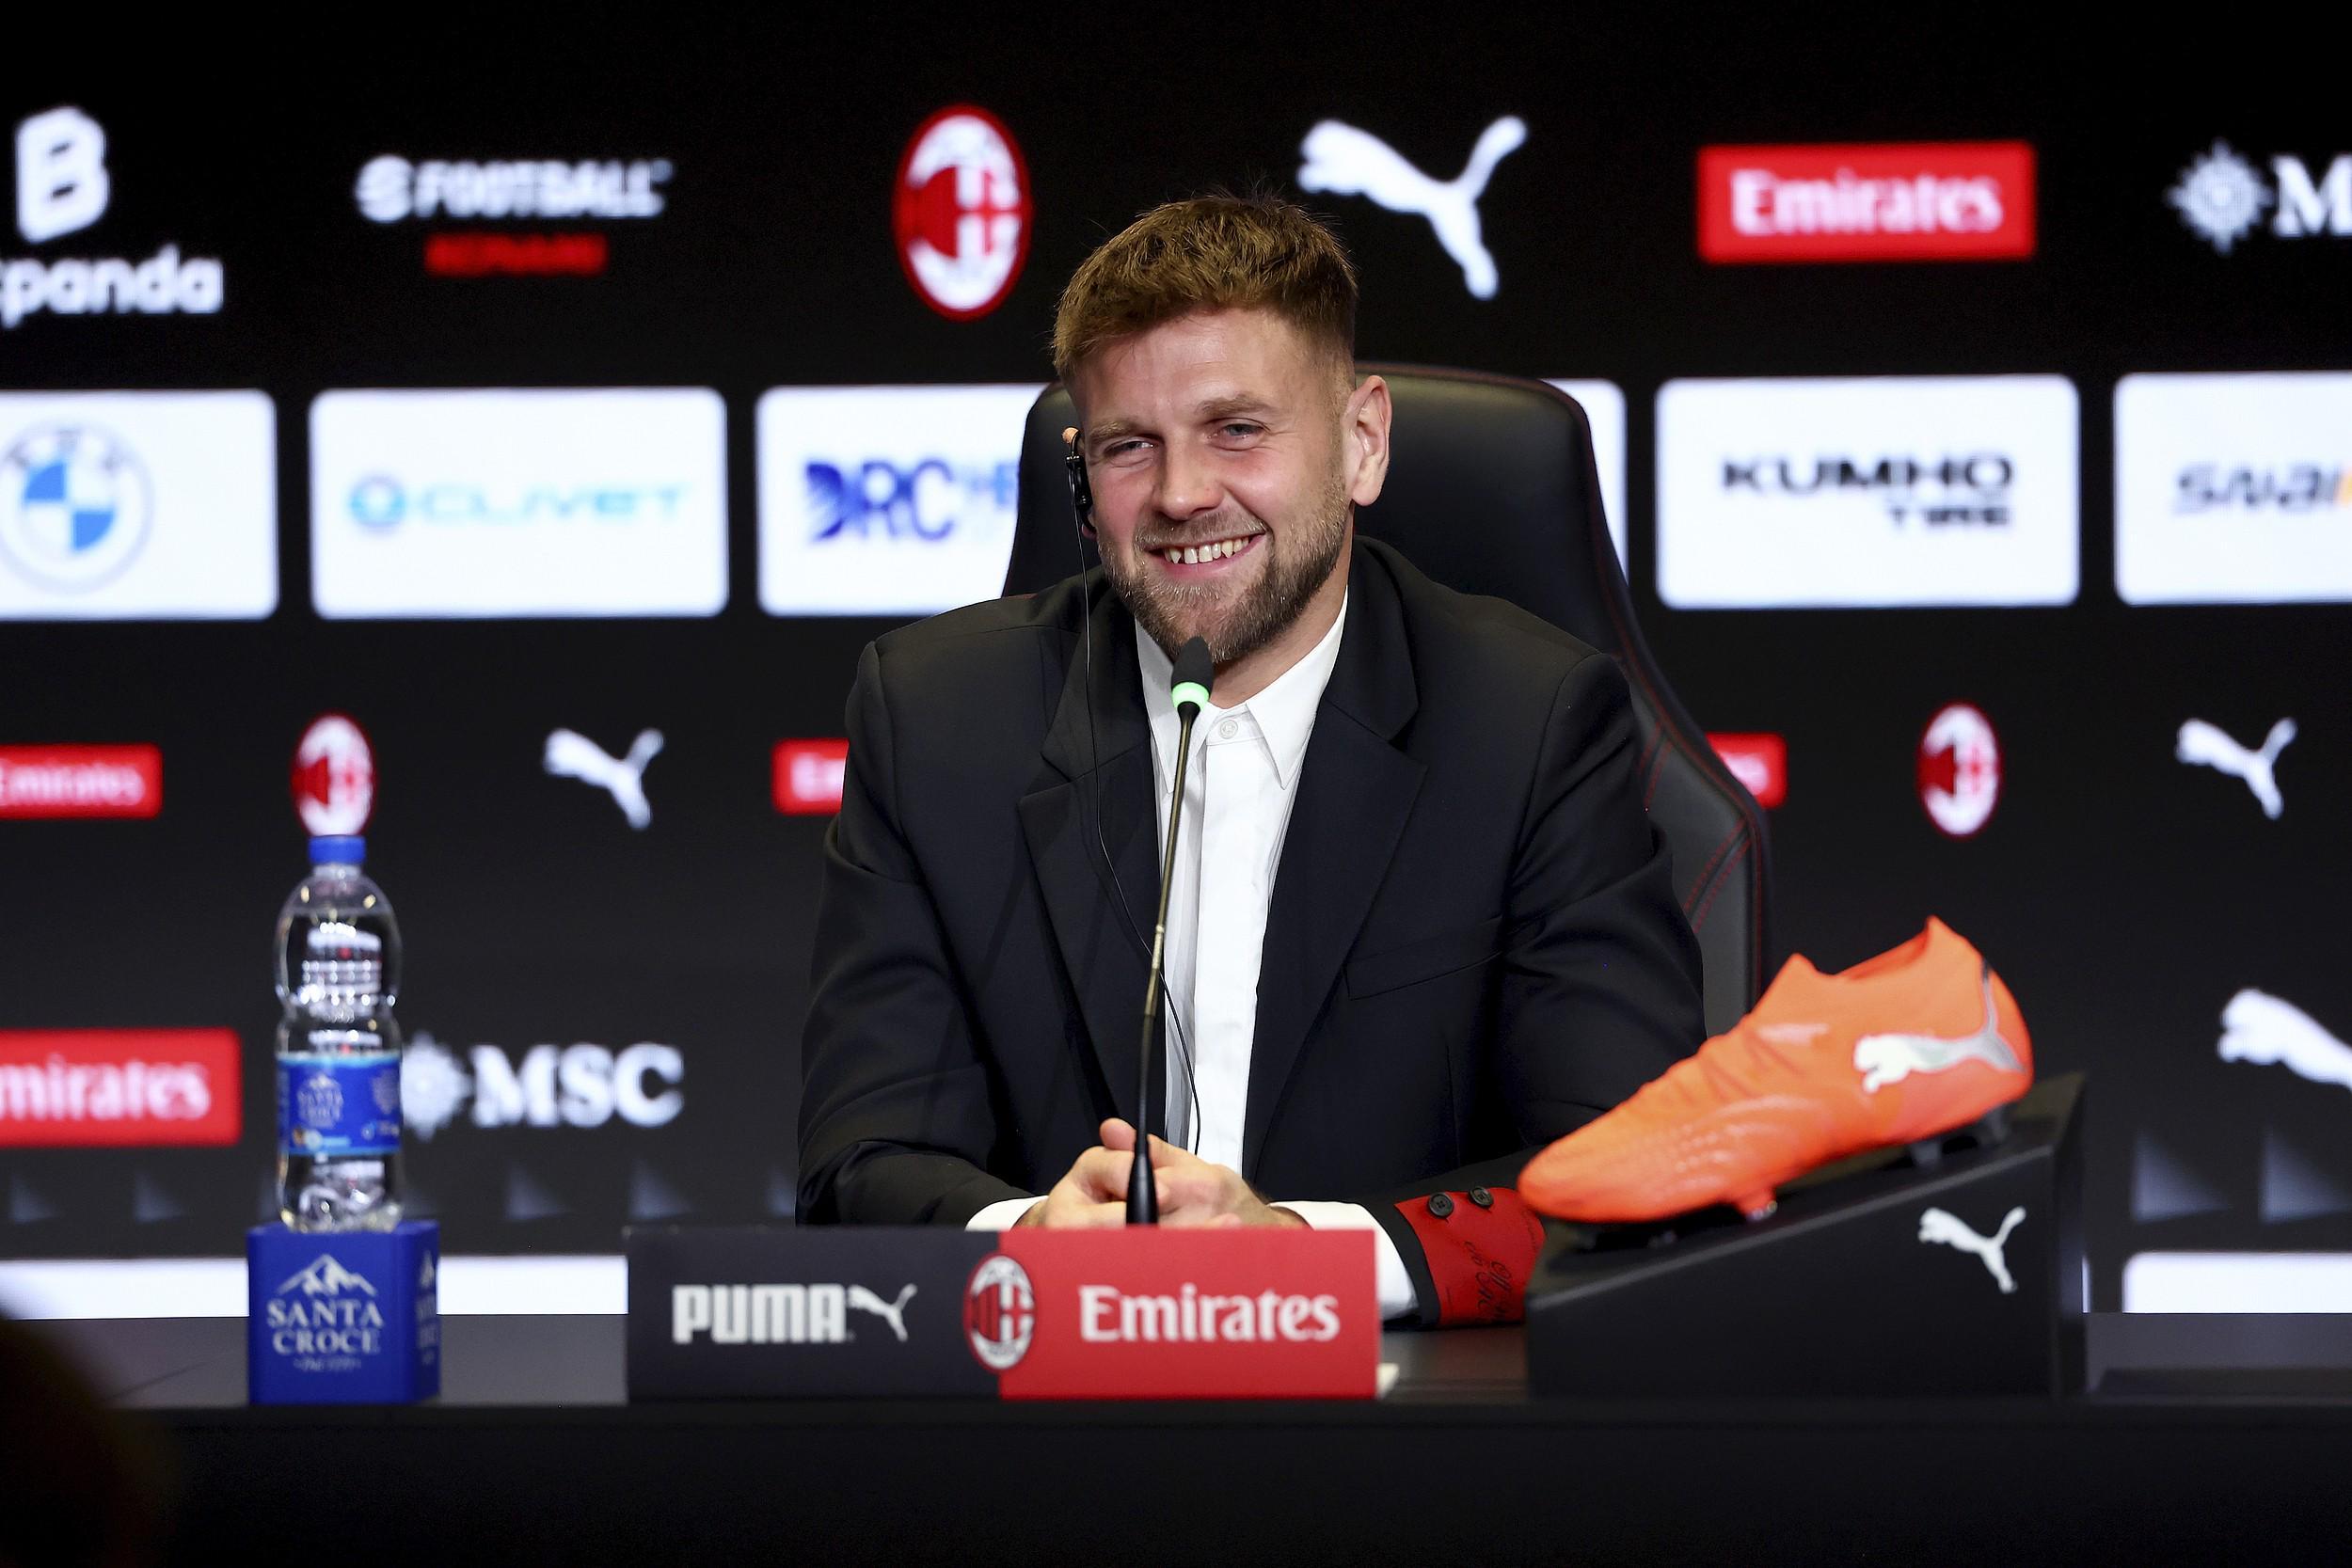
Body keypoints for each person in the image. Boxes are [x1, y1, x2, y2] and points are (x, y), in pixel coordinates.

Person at [798, 194, 1703, 1325]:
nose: (1181, 494)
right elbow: (860, 1161)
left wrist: (1300, 1256)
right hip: (1048, 1400)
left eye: (1236, 428)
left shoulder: (1529, 723)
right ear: (1081, 475)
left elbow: (1625, 1167)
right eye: (1130, 445)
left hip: (1402, 1411)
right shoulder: (935, 719)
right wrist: (1026, 1239)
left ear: (1361, 440)